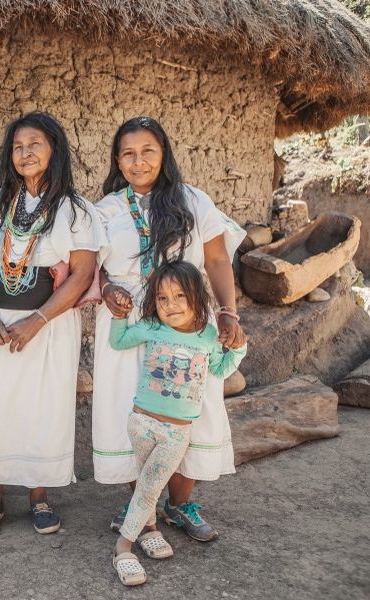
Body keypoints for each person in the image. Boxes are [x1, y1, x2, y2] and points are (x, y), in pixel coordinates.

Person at [92, 116, 247, 542]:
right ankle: (140, 497)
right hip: (129, 318)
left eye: (148, 151)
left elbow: (216, 261)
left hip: (187, 316)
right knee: (129, 406)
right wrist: (106, 290)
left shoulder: (195, 201)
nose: (137, 161)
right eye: (127, 153)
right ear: (117, 159)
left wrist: (229, 313)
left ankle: (179, 504)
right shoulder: (105, 210)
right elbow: (92, 271)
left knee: (190, 404)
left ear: (164, 154)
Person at [0, 112, 100, 538]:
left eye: (35, 144)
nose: (25, 153)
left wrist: (37, 320)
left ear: (54, 149)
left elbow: (81, 274)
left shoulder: (76, 211)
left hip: (49, 328)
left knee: (43, 407)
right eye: (18, 147)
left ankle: (39, 497)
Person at [108, 262, 246, 585]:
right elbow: (120, 341)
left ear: (197, 297)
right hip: (140, 423)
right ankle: (148, 529)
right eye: (162, 298)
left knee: (149, 486)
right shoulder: (154, 327)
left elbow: (220, 369)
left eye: (179, 296)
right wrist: (117, 318)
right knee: (147, 483)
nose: (170, 305)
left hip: (176, 433)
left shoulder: (208, 336)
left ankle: (123, 546)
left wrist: (238, 350)